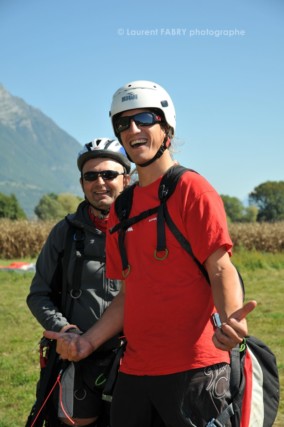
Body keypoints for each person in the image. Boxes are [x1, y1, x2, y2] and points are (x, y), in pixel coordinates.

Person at [45, 81, 257, 427]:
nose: (133, 130)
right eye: (123, 123)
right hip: (134, 370)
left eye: (144, 119)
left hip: (196, 368)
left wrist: (230, 317)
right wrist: (87, 342)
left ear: (166, 127)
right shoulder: (123, 207)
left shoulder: (193, 190)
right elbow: (129, 295)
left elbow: (220, 269)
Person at [27, 138, 131, 427]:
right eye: (91, 176)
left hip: (134, 358)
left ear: (126, 178)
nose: (100, 182)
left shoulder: (143, 228)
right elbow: (38, 295)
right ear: (82, 182)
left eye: (109, 174)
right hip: (78, 355)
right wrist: (64, 330)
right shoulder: (66, 232)